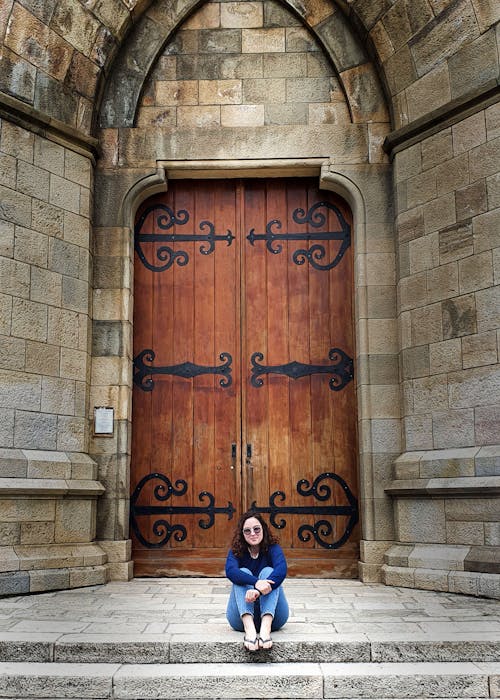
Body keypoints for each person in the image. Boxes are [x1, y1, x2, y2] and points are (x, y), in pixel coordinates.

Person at [225, 510, 289, 652]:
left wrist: (258, 590)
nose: (252, 533)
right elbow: (230, 571)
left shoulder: (273, 548)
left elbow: (281, 570)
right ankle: (250, 630)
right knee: (243, 573)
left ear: (263, 529)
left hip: (275, 618)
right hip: (240, 620)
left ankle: (265, 629)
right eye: (247, 531)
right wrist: (256, 582)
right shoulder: (236, 550)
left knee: (268, 572)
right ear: (242, 534)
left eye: (256, 529)